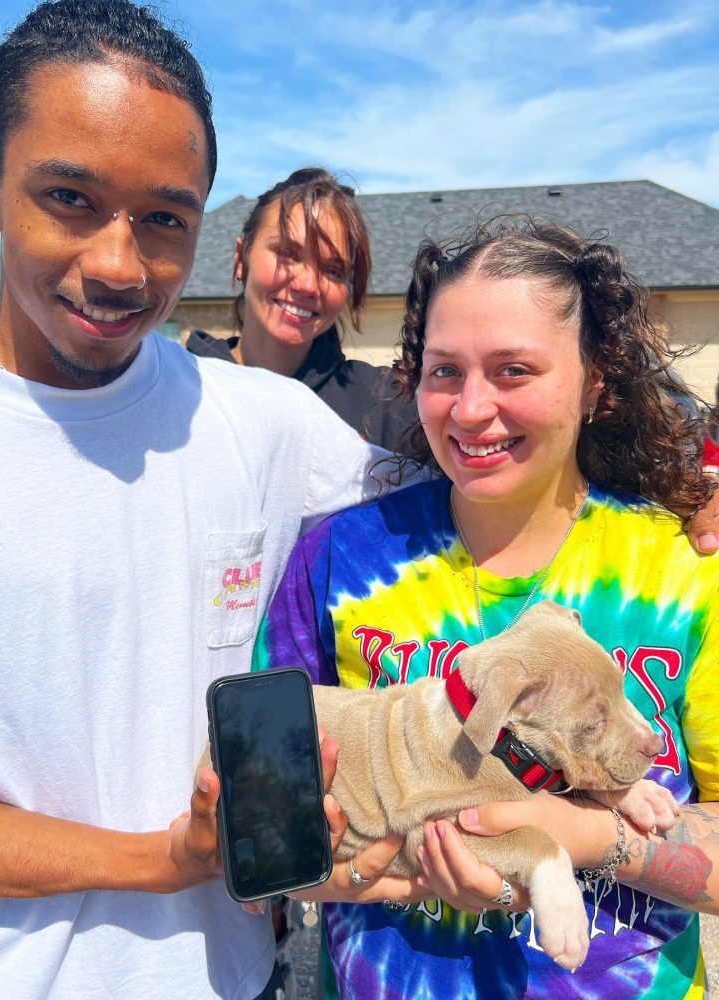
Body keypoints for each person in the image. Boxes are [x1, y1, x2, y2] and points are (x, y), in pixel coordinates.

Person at [0, 3, 402, 997]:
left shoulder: (265, 424)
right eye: (69, 197)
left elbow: (486, 510)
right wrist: (163, 860)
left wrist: (674, 501)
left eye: (162, 219)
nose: (117, 264)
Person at [252, 217, 719, 999]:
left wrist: (583, 838)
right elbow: (266, 807)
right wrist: (357, 863)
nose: (471, 410)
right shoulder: (341, 559)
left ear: (596, 379)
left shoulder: (684, 570)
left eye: (513, 370)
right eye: (444, 372)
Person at [187, 167, 417, 451]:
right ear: (240, 259)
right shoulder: (178, 388)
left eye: (334, 269)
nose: (309, 285)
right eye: (287, 253)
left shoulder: (387, 407)